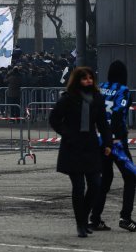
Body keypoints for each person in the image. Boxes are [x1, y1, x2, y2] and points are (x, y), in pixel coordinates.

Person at [49, 66, 112, 238]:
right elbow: (54, 119)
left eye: (90, 78)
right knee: (78, 186)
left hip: (90, 145)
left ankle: (83, 218)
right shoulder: (68, 98)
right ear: (77, 80)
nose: (88, 81)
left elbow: (102, 123)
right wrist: (68, 133)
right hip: (73, 146)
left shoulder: (97, 98)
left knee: (95, 185)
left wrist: (107, 143)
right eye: (84, 79)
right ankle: (80, 224)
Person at [91, 60, 136, 232]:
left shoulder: (100, 87)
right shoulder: (123, 91)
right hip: (116, 142)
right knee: (131, 176)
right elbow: (118, 114)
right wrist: (116, 137)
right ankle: (125, 217)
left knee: (106, 178)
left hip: (99, 139)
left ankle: (95, 218)